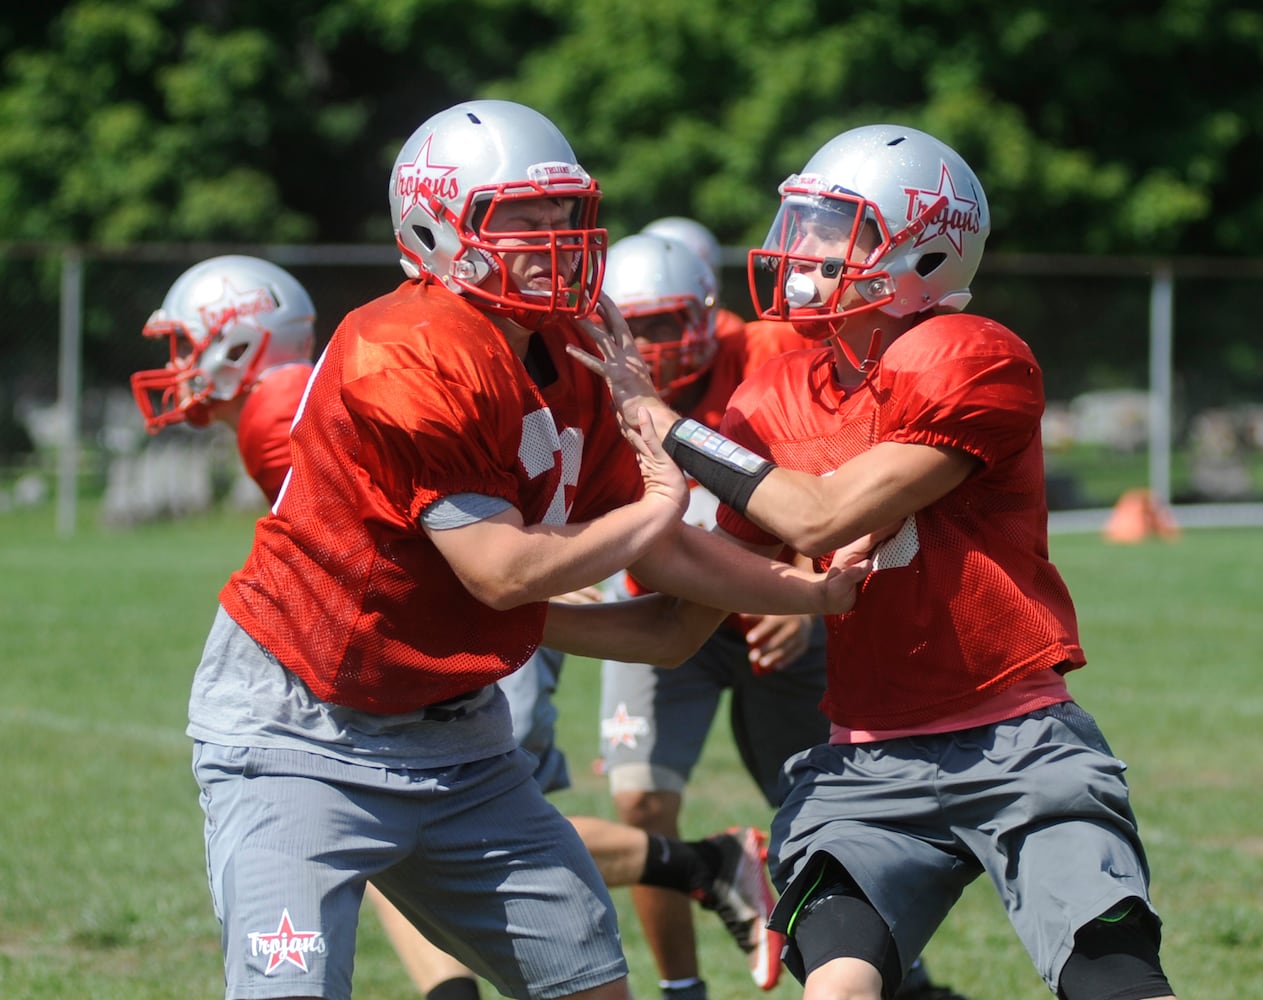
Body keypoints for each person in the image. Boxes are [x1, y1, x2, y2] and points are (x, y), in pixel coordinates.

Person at [184, 98, 866, 1000]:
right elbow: (500, 570)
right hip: (303, 729)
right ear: (435, 225)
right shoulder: (405, 348)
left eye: (561, 212)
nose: (553, 237)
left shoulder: (575, 345)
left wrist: (806, 589)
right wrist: (668, 493)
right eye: (519, 216)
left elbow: (664, 574)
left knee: (589, 988)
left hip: (459, 734)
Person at [566, 124, 1178, 1000]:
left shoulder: (969, 353)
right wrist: (517, 600)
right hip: (865, 761)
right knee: (836, 988)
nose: (799, 245)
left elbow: (825, 514)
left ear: (924, 251)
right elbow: (675, 631)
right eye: (803, 220)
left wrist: (671, 428)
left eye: (831, 225)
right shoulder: (776, 390)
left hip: (1014, 741)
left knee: (1113, 983)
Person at [131, 259, 776, 1000]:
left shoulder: (288, 405)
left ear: (235, 344)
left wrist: (786, 563)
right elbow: (420, 578)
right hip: (360, 688)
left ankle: (695, 865)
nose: (174, 365)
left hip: (452, 679)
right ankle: (688, 869)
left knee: (577, 965)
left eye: (184, 343)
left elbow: (475, 574)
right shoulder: (408, 356)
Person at [596, 230, 970, 1000]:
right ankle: (681, 988)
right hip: (663, 602)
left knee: (826, 804)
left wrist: (800, 591)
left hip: (782, 604)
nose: (652, 348)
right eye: (635, 330)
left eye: (666, 324)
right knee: (640, 798)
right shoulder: (591, 377)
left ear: (707, 315)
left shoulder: (770, 349)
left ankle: (902, 977)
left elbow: (825, 476)